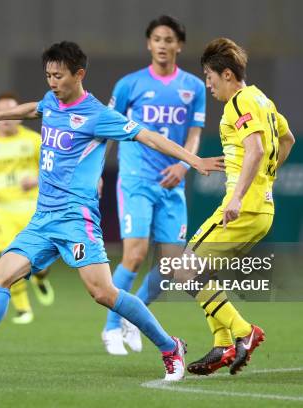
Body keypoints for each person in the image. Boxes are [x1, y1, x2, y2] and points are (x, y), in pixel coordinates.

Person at [0, 41, 224, 381]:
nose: (52, 82)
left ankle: (170, 346)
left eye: (59, 76)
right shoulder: (52, 100)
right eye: (48, 75)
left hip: (76, 219)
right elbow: (35, 108)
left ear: (79, 74)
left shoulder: (98, 116)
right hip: (43, 219)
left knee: (103, 293)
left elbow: (148, 136)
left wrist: (193, 159)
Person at [182, 37, 295, 376]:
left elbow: (256, 150)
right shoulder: (264, 100)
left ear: (227, 74)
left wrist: (238, 196)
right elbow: (287, 139)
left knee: (184, 267)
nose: (208, 83)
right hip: (262, 209)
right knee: (203, 270)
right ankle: (221, 344)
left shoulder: (240, 102)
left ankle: (244, 332)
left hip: (245, 207)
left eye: (209, 76)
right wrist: (267, 181)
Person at [102, 15, 206, 355]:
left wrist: (183, 165)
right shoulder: (129, 85)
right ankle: (111, 327)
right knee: (134, 254)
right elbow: (106, 129)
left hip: (172, 182)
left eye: (169, 39)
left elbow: (194, 134)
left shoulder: (194, 87)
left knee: (171, 265)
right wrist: (97, 172)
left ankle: (136, 315)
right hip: (136, 180)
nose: (162, 45)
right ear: (149, 44)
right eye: (157, 39)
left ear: (179, 45)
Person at [0, 92, 55, 325]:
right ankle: (23, 309)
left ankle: (40, 276)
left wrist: (36, 179)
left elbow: (53, 168)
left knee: (36, 257)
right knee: (7, 256)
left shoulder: (35, 140)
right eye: (1, 113)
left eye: (11, 112)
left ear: (20, 115)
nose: (6, 119)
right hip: (2, 208)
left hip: (32, 206)